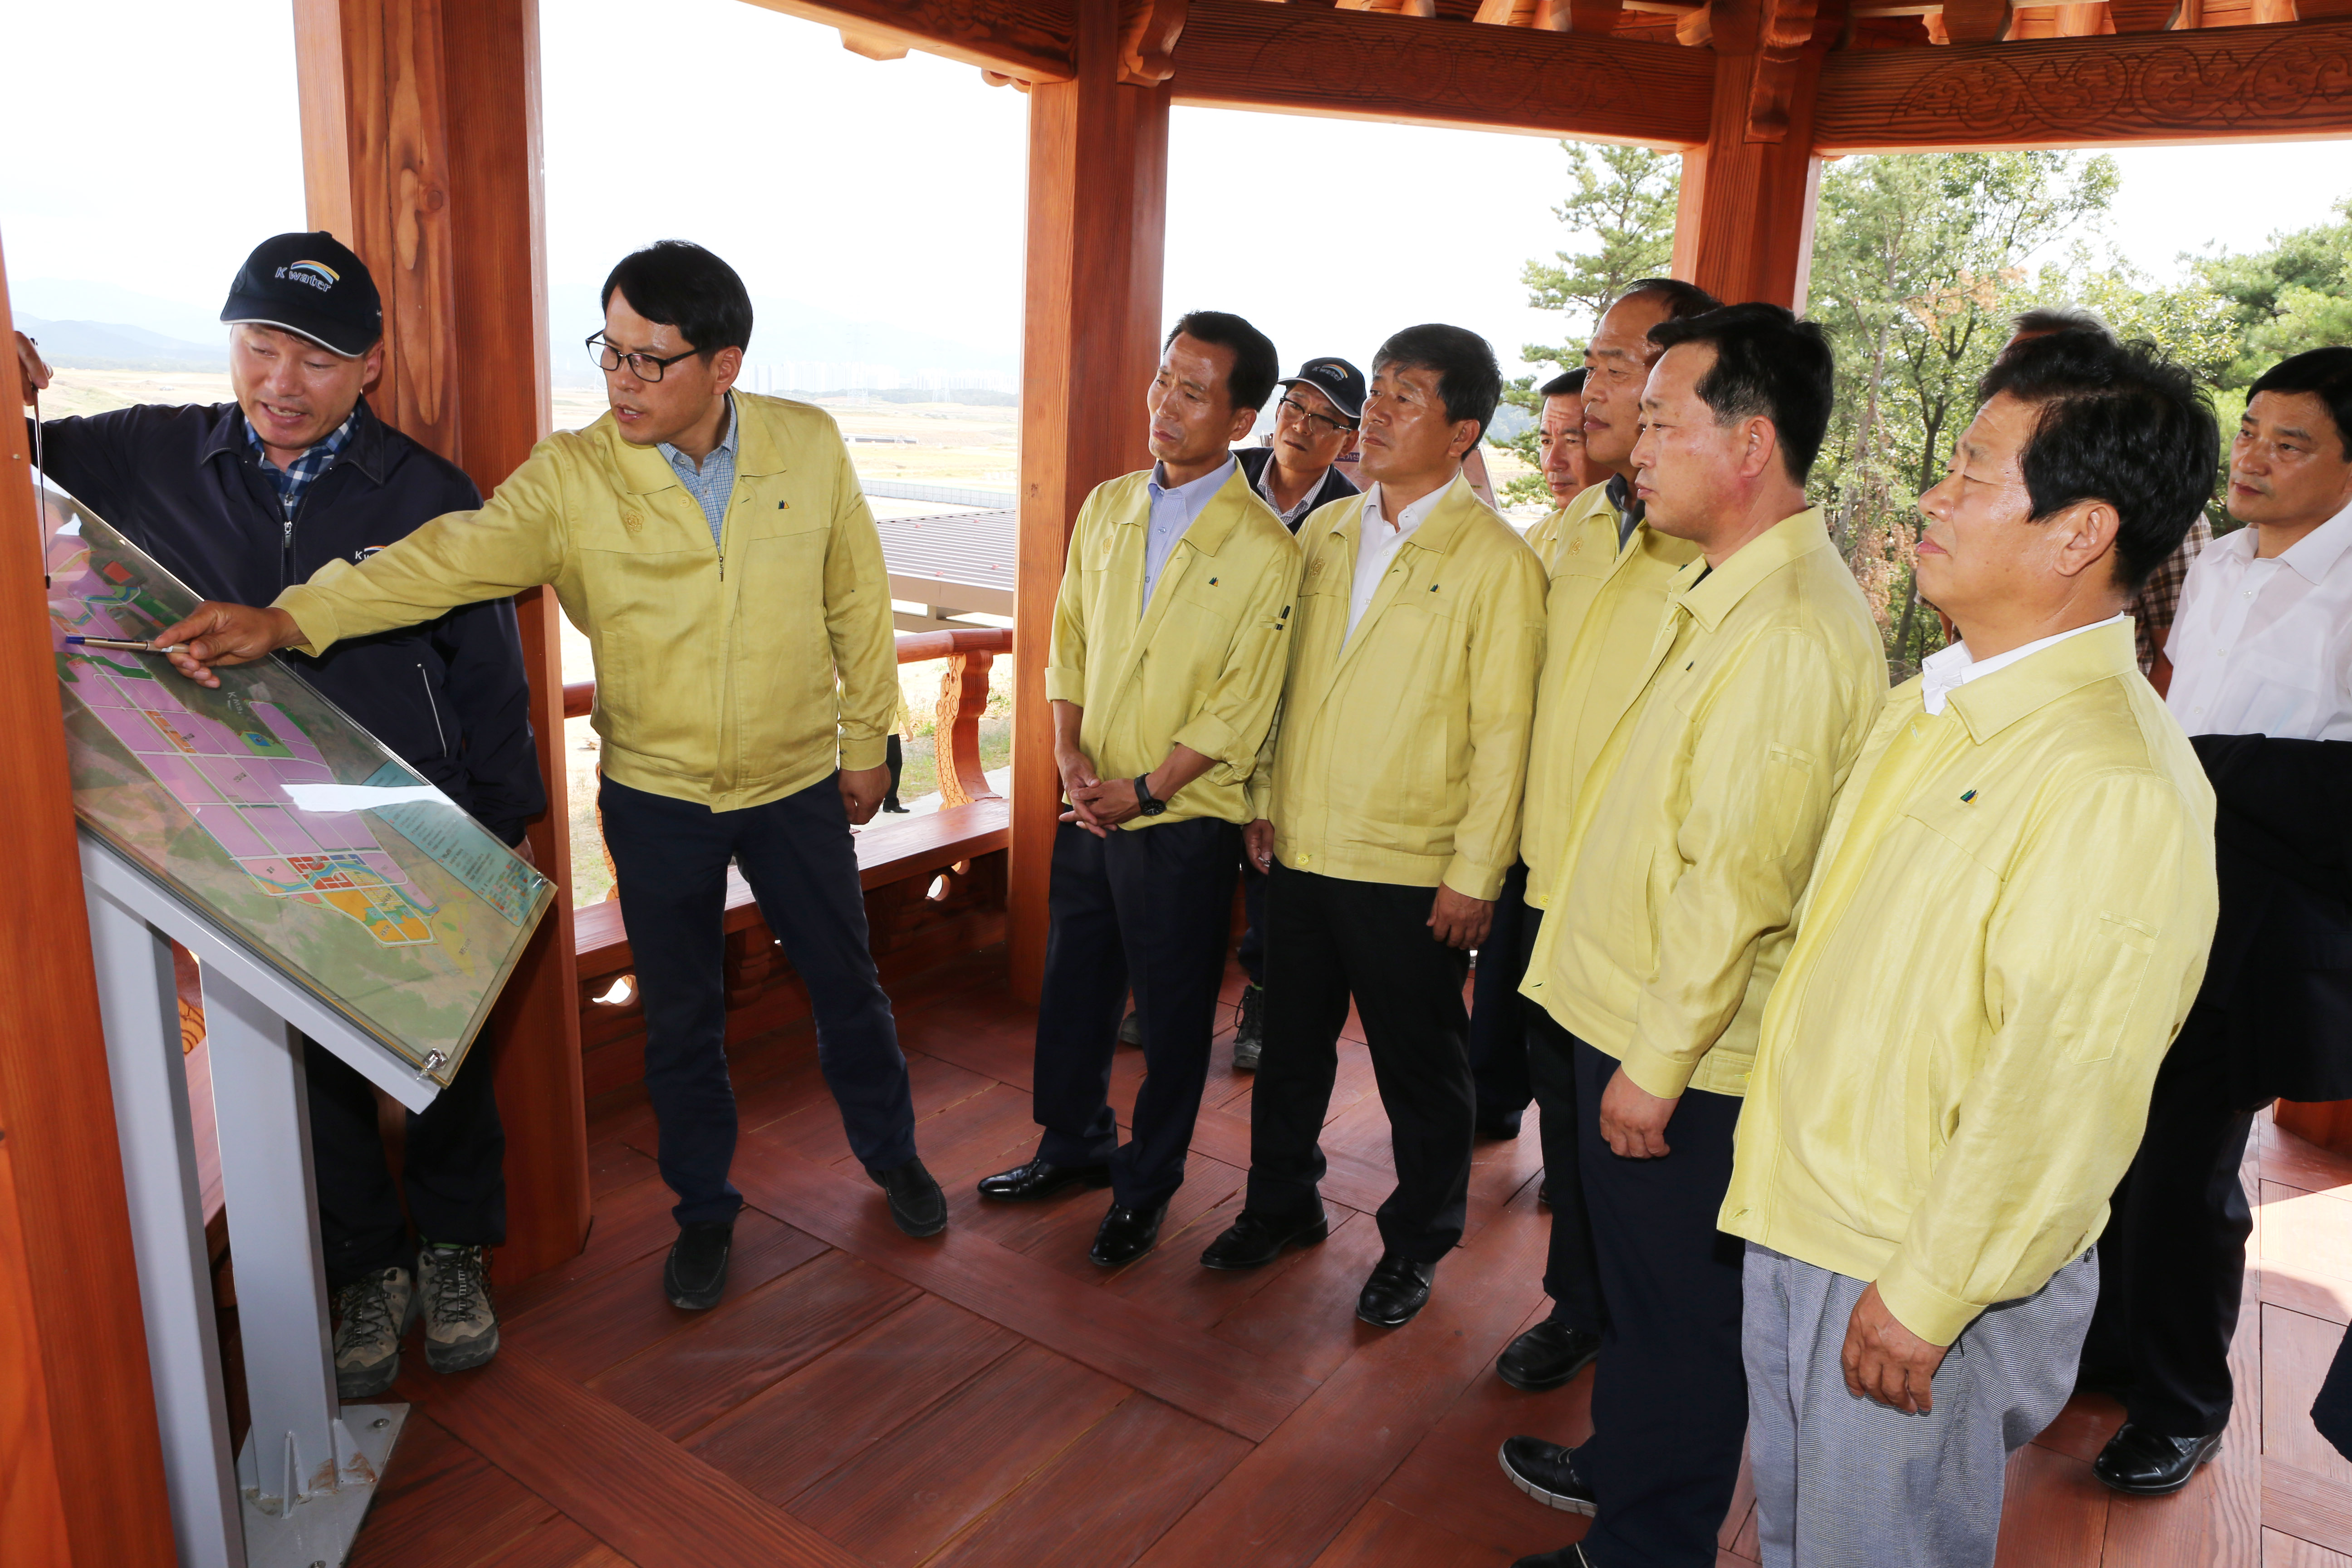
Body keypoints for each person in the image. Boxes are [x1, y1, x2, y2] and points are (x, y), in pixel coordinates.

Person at [150, 240, 946, 1314]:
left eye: (649, 361)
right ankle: (704, 1208)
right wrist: (291, 616)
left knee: (847, 987)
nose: (620, 380)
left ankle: (890, 1151)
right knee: (680, 1016)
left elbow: (856, 592)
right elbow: (440, 558)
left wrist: (866, 740)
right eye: (608, 351)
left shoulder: (805, 445)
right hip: (658, 793)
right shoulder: (573, 474)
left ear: (724, 367)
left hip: (795, 780)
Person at [15, 232, 544, 1398]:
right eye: (261, 347)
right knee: (310, 1067)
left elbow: (490, 674)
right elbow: (21, 456)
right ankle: (369, 1267)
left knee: (442, 1061)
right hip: (248, 836)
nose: (280, 382)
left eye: (316, 357)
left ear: (371, 365)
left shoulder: (426, 492)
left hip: (415, 826)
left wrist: (501, 818)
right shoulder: (154, 451)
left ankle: (456, 1252)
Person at [1721, 331, 2219, 1568]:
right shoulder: (1935, 706)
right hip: (1814, 1208)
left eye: (1976, 469)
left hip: (1910, 1261)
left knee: (1876, 1549)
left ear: (2076, 533)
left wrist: (1932, 1294)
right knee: (1803, 1536)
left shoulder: (2113, 781)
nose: (1936, 495)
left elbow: (2061, 1091)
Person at [1502, 304, 1886, 1568]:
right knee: (1644, 1305)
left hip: (1677, 1049)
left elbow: (1738, 879)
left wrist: (1657, 1067)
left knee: (1676, 1321)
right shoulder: (1729, 585)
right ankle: (1629, 1476)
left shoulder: (1783, 629)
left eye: (1666, 419)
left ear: (1752, 444)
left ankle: (1645, 1545)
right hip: (1621, 1006)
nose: (1639, 442)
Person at [1196, 324, 1545, 1329]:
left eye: (1407, 400)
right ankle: (1279, 1206)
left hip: (1412, 864)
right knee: (1289, 1050)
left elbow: (1505, 736)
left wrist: (1475, 874)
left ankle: (1416, 1242)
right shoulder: (1326, 534)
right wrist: (1262, 794)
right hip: (1303, 843)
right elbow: (1280, 681)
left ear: (1462, 431)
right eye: (1379, 393)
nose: (1378, 416)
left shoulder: (1495, 563)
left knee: (1421, 1073)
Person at [973, 312, 1299, 1266]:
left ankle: (1148, 1182)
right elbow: (1068, 634)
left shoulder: (1265, 547)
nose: (1165, 405)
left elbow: (1245, 702)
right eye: (1164, 381)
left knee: (1169, 1016)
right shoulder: (1108, 504)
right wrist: (1067, 756)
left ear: (1240, 419)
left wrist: (1149, 790)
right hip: (1089, 808)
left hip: (1180, 821)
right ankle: (1070, 1144)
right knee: (1074, 989)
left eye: (1194, 393)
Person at [2083, 345, 2352, 1495]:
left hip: (2258, 925)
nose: (2250, 455)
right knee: (2101, 1136)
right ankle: (2098, 1353)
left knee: (2187, 1166)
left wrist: (2211, 771)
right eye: (2249, 430)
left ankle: (2181, 1398)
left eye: (2287, 441)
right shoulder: (2217, 561)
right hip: (2152, 887)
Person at [1487, 281, 1717, 1399]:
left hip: (1650, 911)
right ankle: (1577, 1308)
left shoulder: (1715, 552)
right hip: (1549, 881)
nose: (1591, 392)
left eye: (1620, 365)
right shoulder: (1577, 524)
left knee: (1641, 1156)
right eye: (1592, 361)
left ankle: (1649, 1374)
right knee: (1566, 1125)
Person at [1463, 367, 1593, 1146]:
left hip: (1577, 816)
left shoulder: (1649, 550)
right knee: (1504, 976)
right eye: (1544, 439)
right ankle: (1492, 1099)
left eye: (1572, 437)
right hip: (1517, 796)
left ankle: (1566, 1155)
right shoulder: (1536, 542)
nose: (1553, 456)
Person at [1227, 356, 1363, 1069]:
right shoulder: (1225, 479)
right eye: (1295, 408)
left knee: (1268, 871)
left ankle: (1264, 997)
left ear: (1351, 438)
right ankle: (1164, 995)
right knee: (1188, 863)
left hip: (1285, 715)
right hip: (1205, 709)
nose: (1303, 427)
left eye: (1327, 420)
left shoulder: (1350, 515)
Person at [2003, 308, 2212, 683]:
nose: (2008, 384)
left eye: (2036, 368)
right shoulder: (1976, 485)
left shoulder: (2161, 507)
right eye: (2007, 368)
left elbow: (2176, 660)